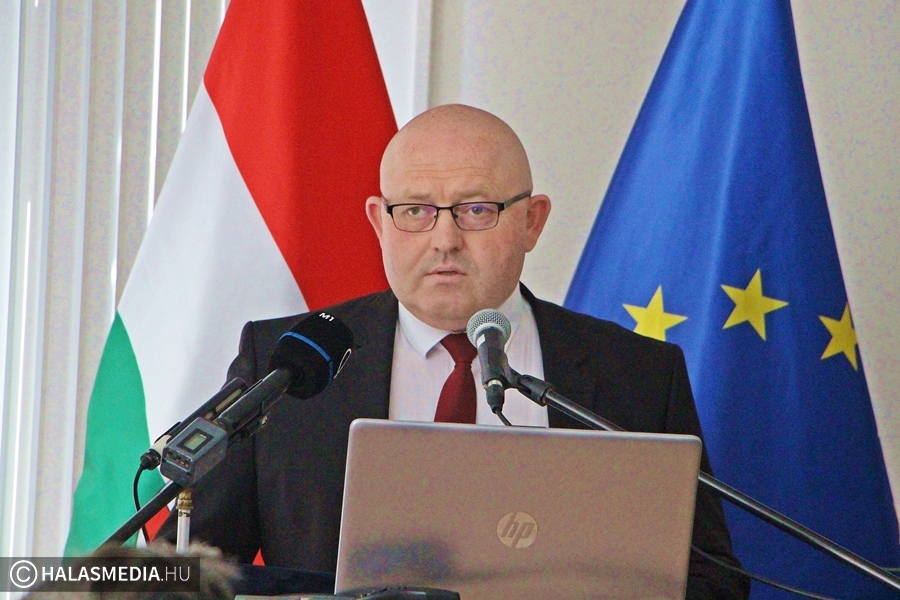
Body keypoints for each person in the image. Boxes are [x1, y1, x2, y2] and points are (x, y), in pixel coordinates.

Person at [161, 104, 750, 599]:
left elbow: (713, 582)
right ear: (379, 222)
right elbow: (180, 571)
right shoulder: (289, 363)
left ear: (532, 222)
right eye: (415, 211)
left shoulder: (639, 375)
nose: (445, 239)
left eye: (476, 210)